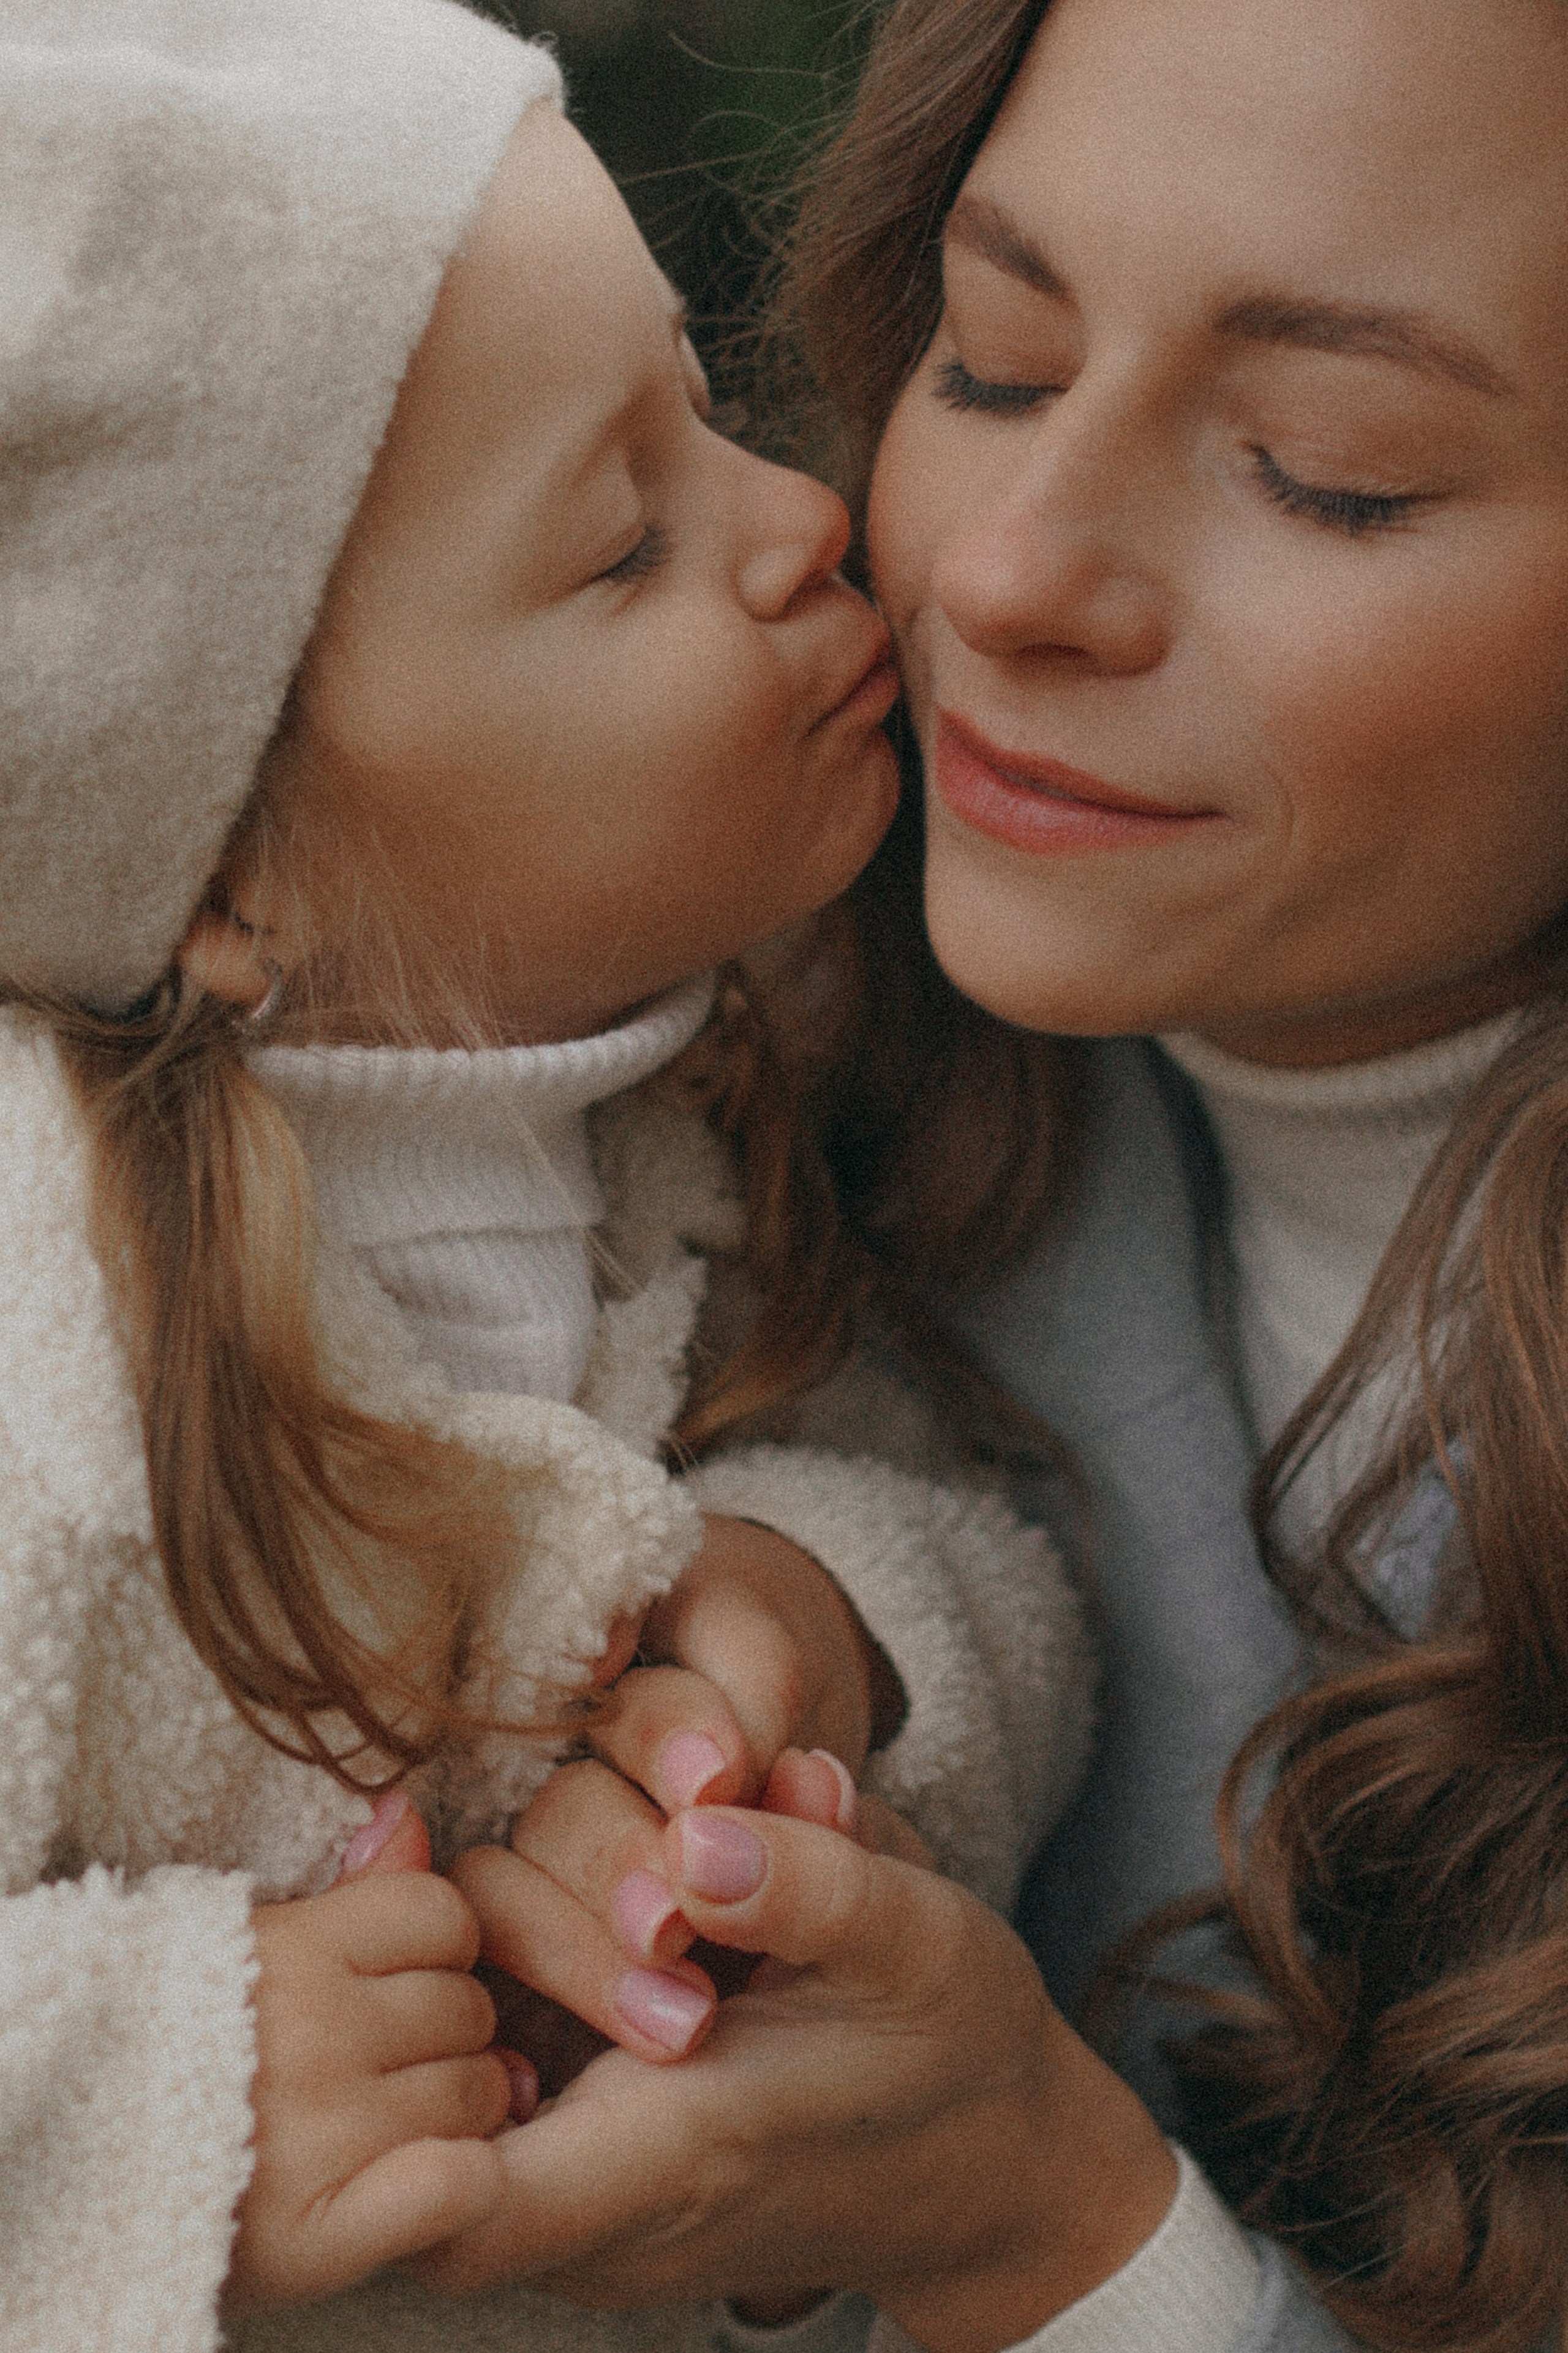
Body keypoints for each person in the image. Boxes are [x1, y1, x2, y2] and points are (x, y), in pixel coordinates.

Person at [410, 1, 1568, 2348]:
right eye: (999, 358)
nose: (1008, 577)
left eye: (1327, 471)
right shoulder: (694, 1087)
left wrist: (1048, 2238)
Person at [0, 5, 1096, 2347]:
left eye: (707, 411)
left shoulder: (704, 1120)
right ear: (225, 867)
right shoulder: (36, 1344)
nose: (808, 519)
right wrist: (162, 2088)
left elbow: (1006, 1559)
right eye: (622, 541)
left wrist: (829, 1629)